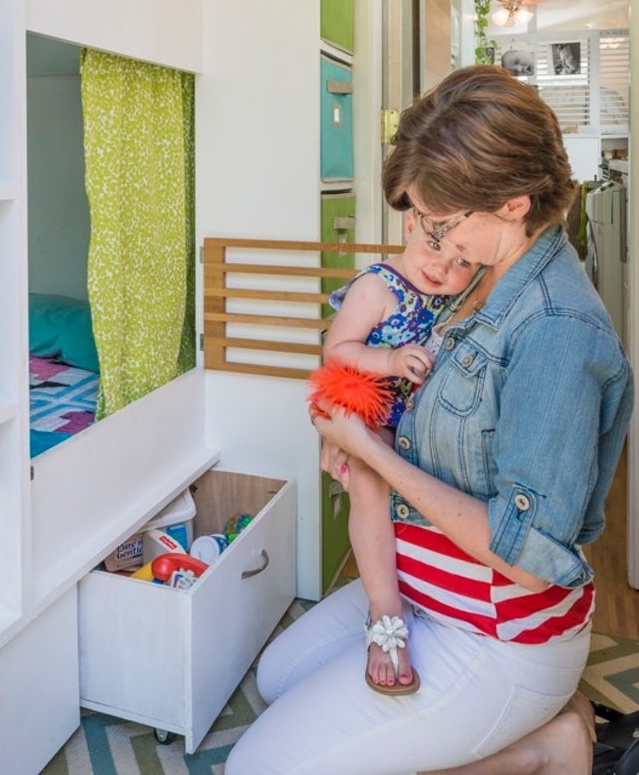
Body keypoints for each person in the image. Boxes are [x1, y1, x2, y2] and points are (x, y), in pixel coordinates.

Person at [226, 65, 633, 775]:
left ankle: (541, 746)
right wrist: (351, 426)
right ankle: (544, 736)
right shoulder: (475, 273)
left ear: (511, 203)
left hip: (497, 630)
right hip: (420, 582)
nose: (429, 244)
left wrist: (373, 456)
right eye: (418, 220)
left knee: (257, 768)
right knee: (276, 680)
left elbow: (527, 561)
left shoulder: (557, 331)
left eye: (440, 222)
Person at [313, 212, 478, 693]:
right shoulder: (377, 286)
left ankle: (436, 595)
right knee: (369, 482)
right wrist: (387, 360)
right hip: (370, 409)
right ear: (410, 225)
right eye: (434, 245)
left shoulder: (455, 296)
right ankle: (385, 608)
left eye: (462, 261)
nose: (442, 267)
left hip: (415, 418)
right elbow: (337, 349)